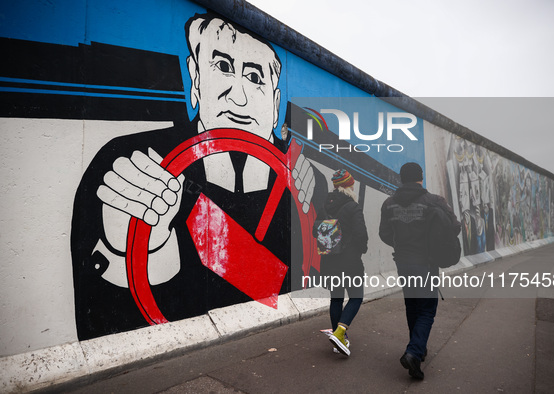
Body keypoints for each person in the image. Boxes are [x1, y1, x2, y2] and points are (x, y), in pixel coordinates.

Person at [70, 12, 320, 340]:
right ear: (196, 78)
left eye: (256, 77)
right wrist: (128, 252)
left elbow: (318, 271)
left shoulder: (302, 181)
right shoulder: (133, 163)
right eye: (223, 67)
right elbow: (101, 328)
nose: (239, 97)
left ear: (275, 104)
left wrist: (319, 214)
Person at [379, 162, 460, 379]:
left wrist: (401, 245)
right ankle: (414, 352)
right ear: (420, 178)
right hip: (426, 263)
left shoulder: (389, 204)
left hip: (403, 263)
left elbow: (384, 234)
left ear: (402, 178)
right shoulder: (435, 201)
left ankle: (418, 347)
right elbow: (455, 226)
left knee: (412, 306)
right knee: (427, 309)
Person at [317, 169, 368, 356]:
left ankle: (339, 340)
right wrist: (361, 249)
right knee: (356, 296)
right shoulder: (352, 207)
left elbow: (317, 230)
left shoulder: (325, 206)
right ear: (349, 185)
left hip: (330, 260)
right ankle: (339, 333)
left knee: (336, 298)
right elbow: (361, 234)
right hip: (350, 261)